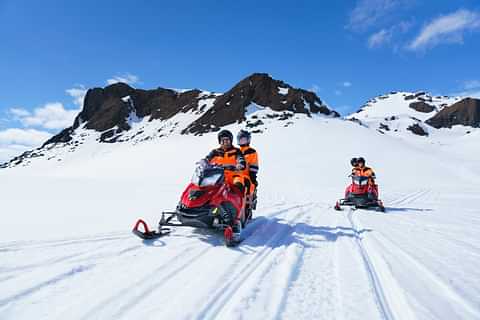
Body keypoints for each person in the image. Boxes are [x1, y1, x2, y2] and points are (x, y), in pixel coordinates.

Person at [237, 130, 259, 218]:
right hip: (234, 175)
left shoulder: (252, 152)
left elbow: (254, 165)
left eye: (243, 139)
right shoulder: (236, 151)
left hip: (246, 176)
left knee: (247, 187)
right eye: (240, 139)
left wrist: (252, 176)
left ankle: (247, 207)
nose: (241, 142)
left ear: (248, 140)